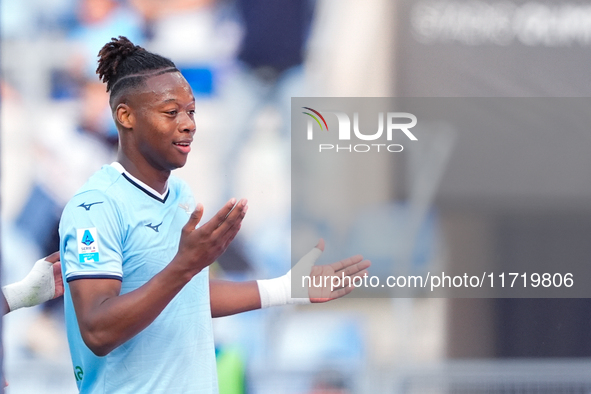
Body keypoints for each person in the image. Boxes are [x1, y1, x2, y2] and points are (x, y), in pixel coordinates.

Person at [58, 36, 370, 393]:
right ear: (125, 116)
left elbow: (187, 297)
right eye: (171, 112)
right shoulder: (96, 207)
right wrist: (184, 266)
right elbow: (97, 331)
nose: (188, 123)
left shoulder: (180, 195)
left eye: (191, 111)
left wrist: (286, 288)